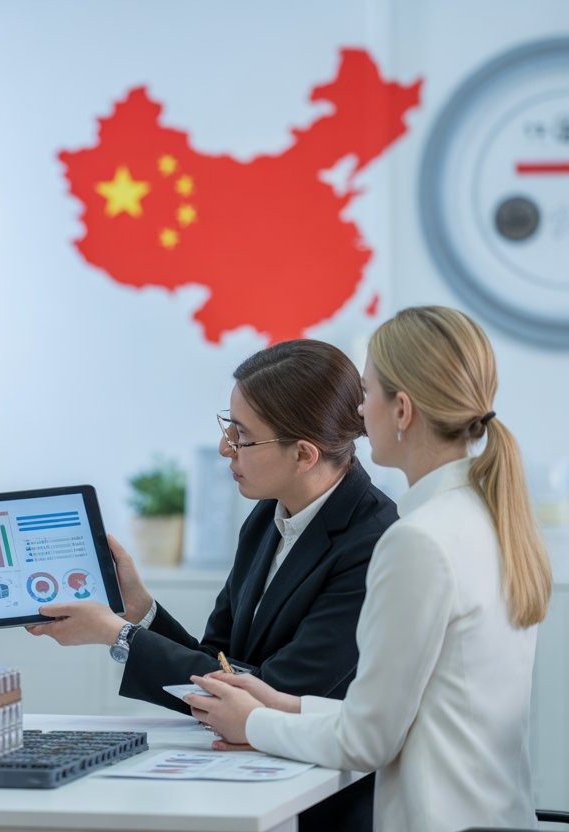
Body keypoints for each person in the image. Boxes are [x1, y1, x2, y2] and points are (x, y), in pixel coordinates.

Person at [192, 307, 552, 832]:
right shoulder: (489, 517)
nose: (358, 411)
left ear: (401, 410)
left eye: (366, 392)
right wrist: (287, 707)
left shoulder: (418, 541)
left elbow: (366, 742)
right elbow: (411, 716)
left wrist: (255, 723)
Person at [27, 339, 398, 831]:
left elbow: (270, 693)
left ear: (304, 455)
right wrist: (140, 612)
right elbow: (223, 664)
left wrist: (117, 635)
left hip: (323, 805)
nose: (225, 448)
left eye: (242, 436)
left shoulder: (374, 543)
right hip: (252, 783)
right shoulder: (267, 518)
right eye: (229, 426)